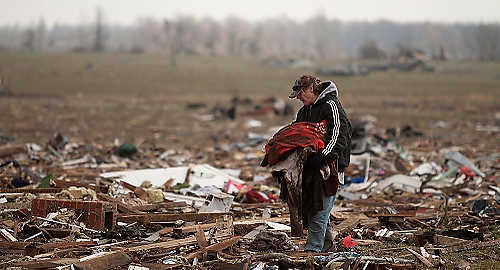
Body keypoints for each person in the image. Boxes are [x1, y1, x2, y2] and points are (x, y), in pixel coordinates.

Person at [288, 75, 352, 252]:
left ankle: (313, 250)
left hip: (330, 167)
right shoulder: (304, 111)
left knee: (320, 209)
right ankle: (327, 244)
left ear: (311, 89)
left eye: (301, 93)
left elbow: (340, 135)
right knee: (313, 206)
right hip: (310, 168)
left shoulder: (330, 105)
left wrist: (323, 157)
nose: (299, 98)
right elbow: (297, 134)